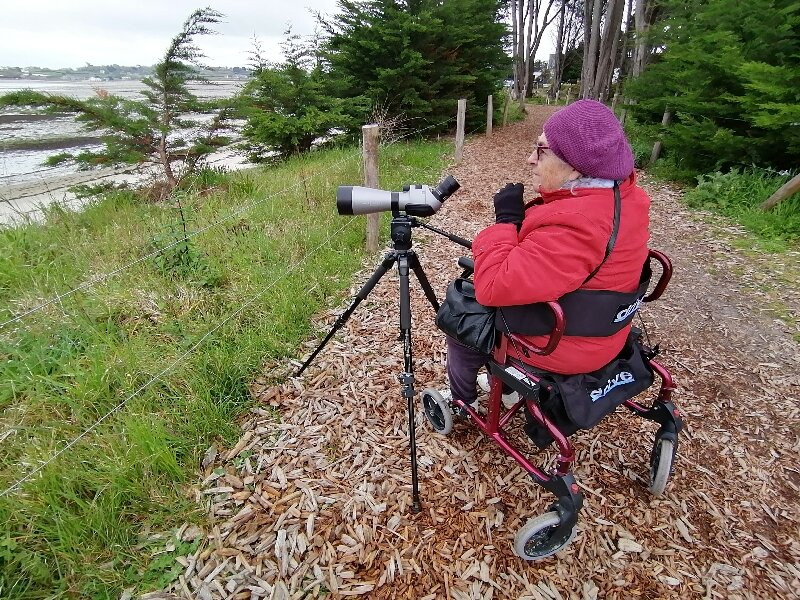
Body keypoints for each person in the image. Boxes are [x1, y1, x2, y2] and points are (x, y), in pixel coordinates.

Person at [444, 99, 650, 409]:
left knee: (460, 316)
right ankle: (503, 385)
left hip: (562, 348)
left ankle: (462, 401)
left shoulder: (577, 224)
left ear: (576, 167)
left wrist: (506, 223)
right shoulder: (628, 197)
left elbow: (492, 287)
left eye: (542, 151)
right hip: (607, 332)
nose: (530, 160)